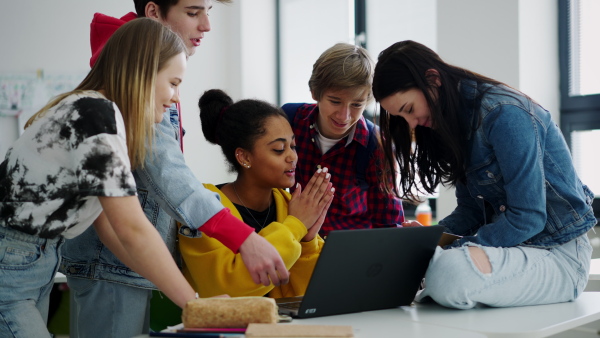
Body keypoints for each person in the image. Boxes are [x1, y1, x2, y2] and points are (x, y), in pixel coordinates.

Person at [60, 1, 289, 337]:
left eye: (208, 11)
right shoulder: (129, 90)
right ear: (154, 13)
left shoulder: (141, 79)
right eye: (193, 13)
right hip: (110, 262)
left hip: (122, 259)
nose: (207, 25)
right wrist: (243, 238)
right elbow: (167, 175)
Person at [0, 18, 197, 338]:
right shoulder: (96, 117)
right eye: (173, 82)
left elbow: (112, 231)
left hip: (33, 260)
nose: (176, 97)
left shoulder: (97, 113)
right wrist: (194, 304)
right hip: (12, 262)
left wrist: (189, 301)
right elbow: (132, 229)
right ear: (145, 73)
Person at [372, 40, 596, 309]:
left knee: (449, 273)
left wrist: (453, 250)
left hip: (559, 255)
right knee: (435, 266)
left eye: (409, 110)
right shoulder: (456, 122)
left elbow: (528, 218)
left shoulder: (504, 114)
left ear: (433, 79)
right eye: (401, 117)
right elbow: (471, 213)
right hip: (513, 252)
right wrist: (427, 240)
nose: (411, 124)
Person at [179, 89, 334, 298]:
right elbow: (227, 287)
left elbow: (311, 295)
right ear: (244, 157)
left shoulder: (290, 205)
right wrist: (295, 227)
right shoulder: (203, 205)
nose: (292, 157)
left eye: (293, 146)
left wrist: (307, 240)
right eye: (279, 149)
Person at [283, 42, 404, 238]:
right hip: (294, 244)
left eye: (356, 104)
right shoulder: (289, 119)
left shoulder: (376, 145)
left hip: (347, 251)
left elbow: (388, 223)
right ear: (315, 93)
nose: (344, 116)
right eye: (335, 101)